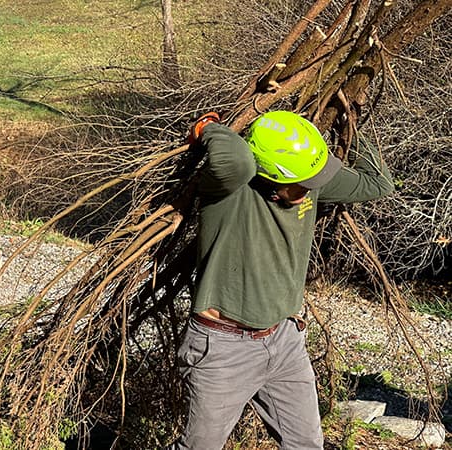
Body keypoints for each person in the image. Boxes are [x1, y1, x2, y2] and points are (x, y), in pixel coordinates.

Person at [169, 110, 394, 449]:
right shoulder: (229, 190)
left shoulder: (307, 179)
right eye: (301, 183)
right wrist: (209, 127)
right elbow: (237, 159)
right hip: (224, 348)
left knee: (306, 444)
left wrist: (348, 122)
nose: (311, 188)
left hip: (285, 340)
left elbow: (377, 183)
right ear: (271, 178)